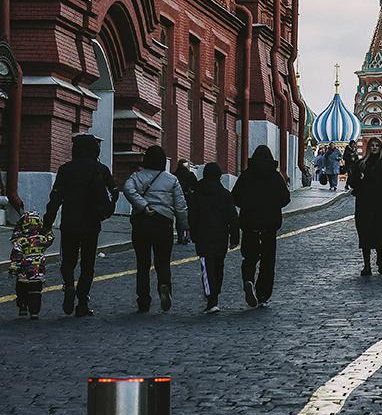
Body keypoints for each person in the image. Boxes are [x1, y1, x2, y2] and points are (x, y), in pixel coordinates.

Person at [43, 133, 117, 317]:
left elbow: (55, 198)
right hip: (92, 223)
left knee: (68, 260)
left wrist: (47, 222)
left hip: (70, 222)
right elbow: (114, 193)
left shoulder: (65, 169)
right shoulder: (101, 169)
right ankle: (82, 302)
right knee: (87, 263)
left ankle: (68, 285)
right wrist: (106, 211)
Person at [123, 145, 188, 313]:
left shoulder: (137, 177)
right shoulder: (172, 180)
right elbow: (180, 206)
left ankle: (143, 300)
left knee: (142, 264)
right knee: (163, 262)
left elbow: (128, 190)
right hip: (163, 223)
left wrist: (143, 206)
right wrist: (184, 225)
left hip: (142, 222)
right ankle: (164, 286)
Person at [232, 145, 290, 307]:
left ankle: (248, 280)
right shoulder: (276, 177)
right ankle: (263, 294)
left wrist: (247, 205)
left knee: (249, 258)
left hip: (250, 225)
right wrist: (273, 206)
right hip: (269, 227)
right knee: (267, 262)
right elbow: (286, 198)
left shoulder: (246, 176)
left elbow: (235, 197)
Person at [187, 163, 239, 313]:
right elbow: (233, 218)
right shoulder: (225, 194)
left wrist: (193, 234)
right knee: (218, 265)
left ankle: (211, 298)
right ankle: (216, 294)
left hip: (203, 236)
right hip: (221, 236)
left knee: (206, 266)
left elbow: (192, 216)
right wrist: (235, 237)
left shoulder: (196, 194)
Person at [348, 137, 382, 275]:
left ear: (380, 148)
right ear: (368, 147)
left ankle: (380, 260)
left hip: (378, 203)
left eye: (377, 146)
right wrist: (358, 179)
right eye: (372, 145)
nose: (374, 148)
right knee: (364, 232)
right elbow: (352, 182)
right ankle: (367, 264)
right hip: (363, 203)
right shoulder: (361, 164)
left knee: (378, 231)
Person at [8, 211, 53, 319]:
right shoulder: (41, 239)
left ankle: (22, 307)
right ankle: (35, 311)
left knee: (21, 290)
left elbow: (16, 254)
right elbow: (50, 237)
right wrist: (45, 229)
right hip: (38, 271)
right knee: (36, 291)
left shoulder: (21, 240)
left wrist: (13, 267)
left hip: (23, 272)